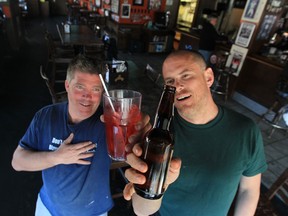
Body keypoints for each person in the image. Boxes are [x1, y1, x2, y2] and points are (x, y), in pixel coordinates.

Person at [123, 50, 267, 216]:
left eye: (185, 76)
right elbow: (141, 210)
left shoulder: (245, 130)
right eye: (170, 81)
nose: (177, 86)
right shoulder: (158, 137)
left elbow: (248, 190)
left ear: (208, 78)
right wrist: (152, 185)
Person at [11, 54, 150, 216]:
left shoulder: (108, 122)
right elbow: (17, 162)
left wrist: (136, 135)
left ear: (103, 93)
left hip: (93, 212)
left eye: (96, 89)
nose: (88, 96)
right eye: (80, 87)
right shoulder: (46, 116)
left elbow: (132, 150)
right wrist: (58, 157)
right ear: (67, 86)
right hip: (47, 208)